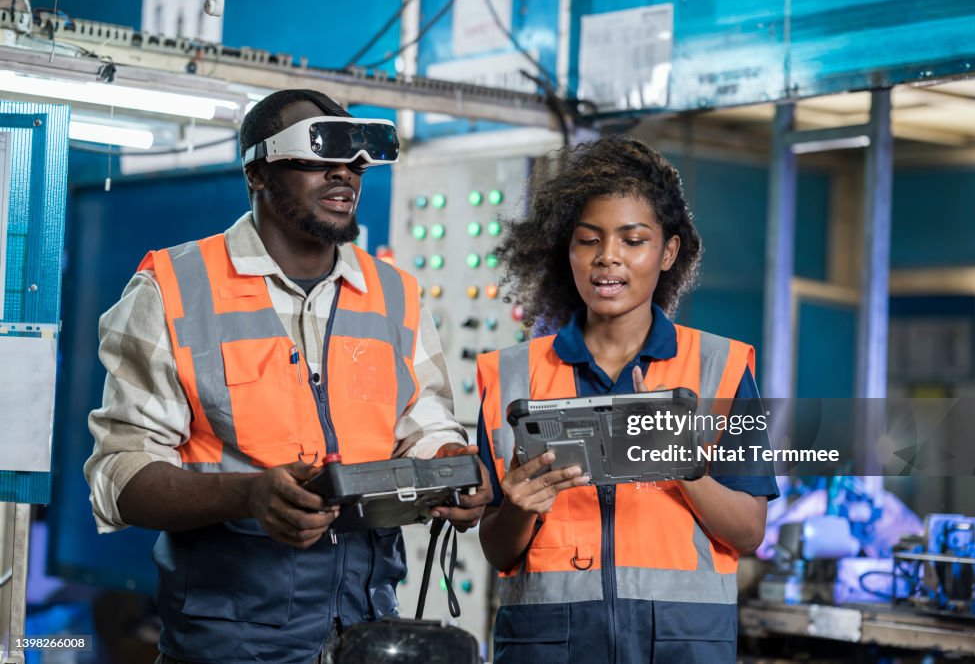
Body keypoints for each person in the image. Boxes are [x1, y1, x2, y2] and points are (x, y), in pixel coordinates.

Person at [84, 89, 491, 664]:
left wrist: (450, 468)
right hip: (227, 640)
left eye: (355, 160)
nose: (344, 174)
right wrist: (247, 495)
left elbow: (420, 424)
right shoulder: (173, 290)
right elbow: (120, 476)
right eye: (319, 154)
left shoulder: (394, 292)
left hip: (366, 627)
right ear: (257, 171)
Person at [476, 137, 779, 663]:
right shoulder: (511, 375)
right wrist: (519, 510)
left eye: (632, 240)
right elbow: (498, 548)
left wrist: (685, 467)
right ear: (565, 250)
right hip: (550, 645)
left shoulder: (721, 369)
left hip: (681, 644)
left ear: (668, 252)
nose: (607, 257)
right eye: (588, 240)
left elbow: (749, 532)